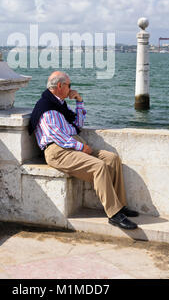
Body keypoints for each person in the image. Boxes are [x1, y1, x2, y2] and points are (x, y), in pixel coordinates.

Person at [29, 71, 139, 230]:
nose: (70, 89)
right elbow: (56, 136)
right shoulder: (46, 107)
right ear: (60, 86)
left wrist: (79, 101)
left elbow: (77, 125)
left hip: (71, 145)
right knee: (98, 166)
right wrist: (81, 147)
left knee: (112, 158)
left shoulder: (60, 105)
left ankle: (120, 206)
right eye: (69, 85)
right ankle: (114, 215)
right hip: (58, 151)